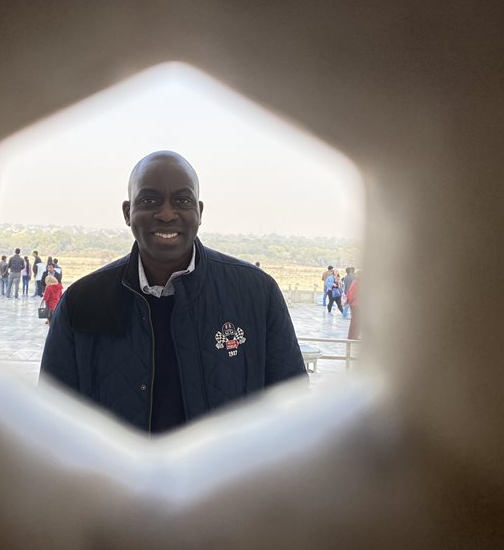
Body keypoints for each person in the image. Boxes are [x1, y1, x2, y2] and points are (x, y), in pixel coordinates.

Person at [40, 150, 306, 434]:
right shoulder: (82, 303)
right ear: (127, 212)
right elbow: (52, 423)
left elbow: (294, 412)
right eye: (149, 200)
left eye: (182, 200)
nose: (166, 214)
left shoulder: (256, 294)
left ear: (199, 212)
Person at [346, 271, 361, 339]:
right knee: (355, 321)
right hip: (356, 304)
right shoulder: (358, 283)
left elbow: (349, 292)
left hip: (354, 304)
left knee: (355, 321)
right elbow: (353, 294)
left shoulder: (355, 282)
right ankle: (352, 337)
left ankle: (353, 336)